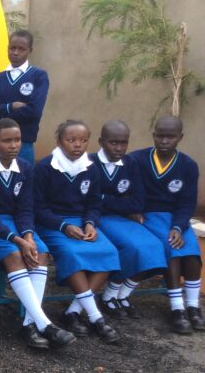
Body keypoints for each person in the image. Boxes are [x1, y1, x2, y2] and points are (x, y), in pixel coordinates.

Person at [0, 118, 75, 350]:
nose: (14, 145)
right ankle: (45, 324)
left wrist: (27, 236)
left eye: (17, 140)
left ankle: (29, 324)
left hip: (16, 224)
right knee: (15, 254)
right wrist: (16, 240)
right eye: (7, 141)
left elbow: (26, 208)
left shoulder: (25, 167)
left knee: (41, 252)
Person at [34, 120, 121, 344]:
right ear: (59, 141)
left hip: (82, 223)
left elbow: (94, 203)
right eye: (71, 140)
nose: (78, 145)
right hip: (52, 224)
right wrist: (63, 226)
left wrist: (90, 223)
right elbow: (37, 207)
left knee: (108, 252)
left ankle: (73, 310)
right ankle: (96, 317)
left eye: (83, 140)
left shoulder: (91, 167)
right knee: (73, 255)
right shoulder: (45, 167)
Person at [129, 116, 204, 334]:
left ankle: (193, 307)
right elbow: (125, 188)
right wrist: (132, 210)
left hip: (176, 218)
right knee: (172, 249)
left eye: (170, 137)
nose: (164, 141)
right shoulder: (138, 159)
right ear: (154, 136)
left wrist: (179, 226)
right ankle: (176, 309)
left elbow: (187, 202)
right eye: (160, 135)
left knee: (191, 253)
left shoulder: (188, 165)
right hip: (150, 216)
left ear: (179, 138)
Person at [91, 121, 167, 319]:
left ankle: (121, 295)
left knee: (154, 245)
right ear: (101, 141)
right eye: (113, 143)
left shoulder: (130, 163)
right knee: (132, 247)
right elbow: (88, 201)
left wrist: (105, 199)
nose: (119, 148)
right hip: (97, 218)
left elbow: (138, 202)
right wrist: (119, 201)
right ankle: (108, 296)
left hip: (120, 218)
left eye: (123, 143)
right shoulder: (89, 163)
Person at [0, 30, 48, 166]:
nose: (15, 52)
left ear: (30, 50)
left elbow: (34, 112)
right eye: (12, 48)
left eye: (21, 49)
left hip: (23, 144)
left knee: (21, 184)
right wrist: (10, 106)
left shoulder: (38, 76)